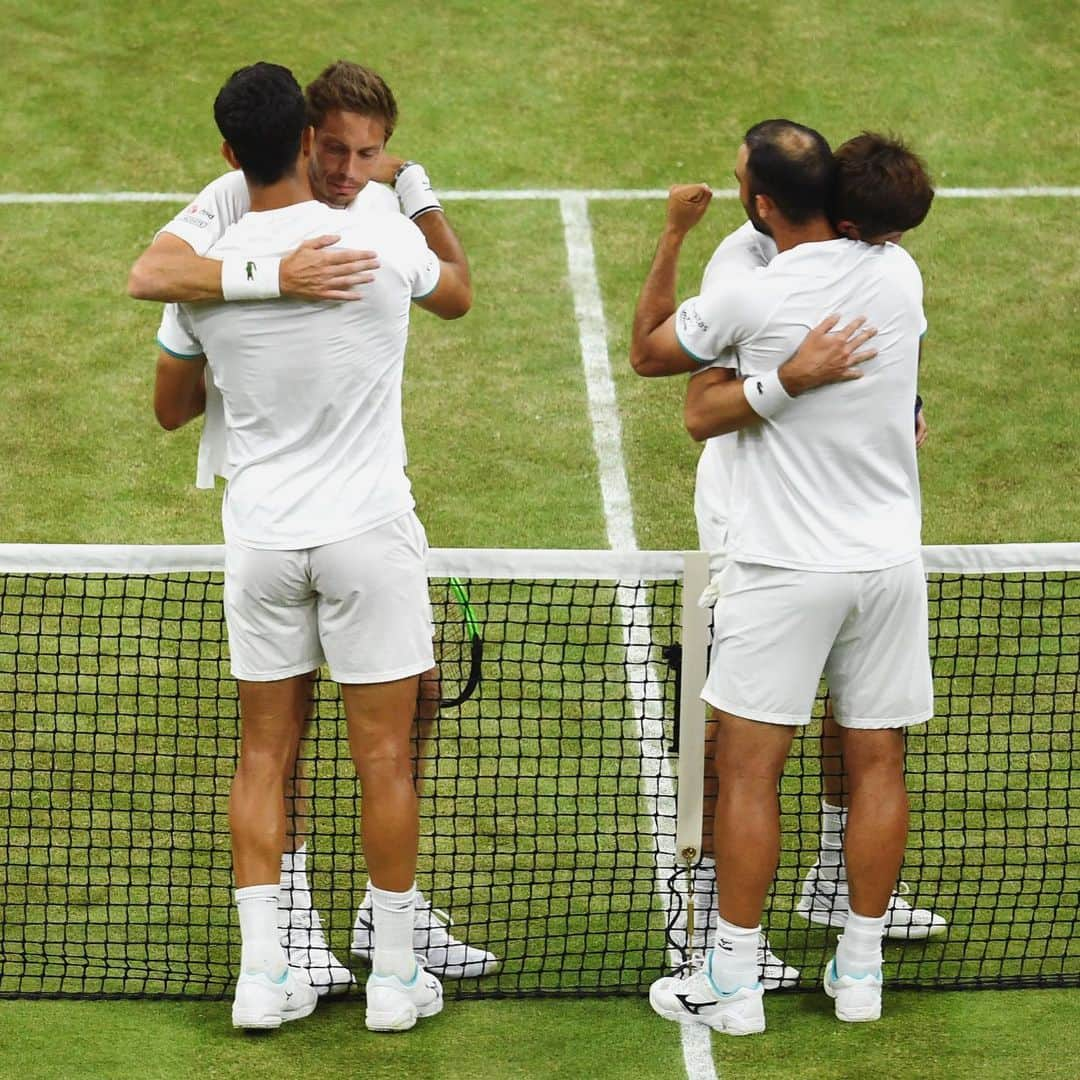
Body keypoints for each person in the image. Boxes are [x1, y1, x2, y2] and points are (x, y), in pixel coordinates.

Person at [131, 59, 497, 993]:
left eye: (367, 154)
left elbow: (172, 402)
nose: (348, 167)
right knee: (377, 755)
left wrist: (244, 316)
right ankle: (378, 969)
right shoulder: (377, 244)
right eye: (333, 149)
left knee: (280, 746)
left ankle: (285, 964)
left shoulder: (205, 278)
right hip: (363, 532)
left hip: (265, 537)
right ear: (302, 140)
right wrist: (393, 209)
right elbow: (455, 286)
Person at [633, 119, 935, 1033]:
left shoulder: (749, 296)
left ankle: (732, 979)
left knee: (751, 771)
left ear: (762, 203)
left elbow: (653, 357)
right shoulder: (899, 276)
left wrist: (675, 238)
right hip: (887, 566)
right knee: (879, 760)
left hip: (782, 569)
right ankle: (859, 972)